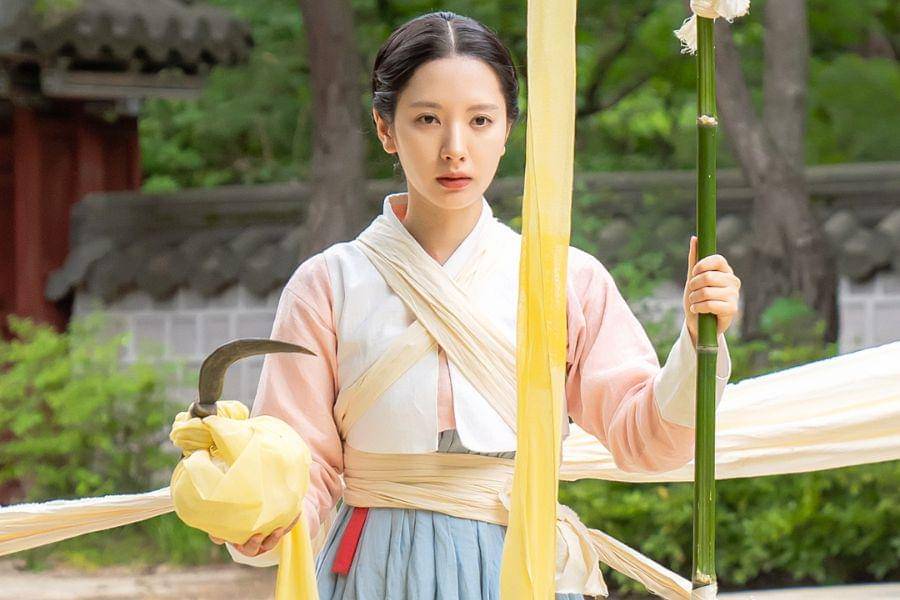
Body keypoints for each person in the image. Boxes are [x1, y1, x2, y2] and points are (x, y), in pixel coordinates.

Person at [210, 10, 741, 599]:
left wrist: (699, 340)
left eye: (481, 120)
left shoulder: (565, 278)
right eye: (427, 120)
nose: (454, 149)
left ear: (508, 128)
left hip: (523, 561)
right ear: (385, 129)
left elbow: (646, 438)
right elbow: (300, 464)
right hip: (374, 567)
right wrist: (260, 515)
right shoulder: (328, 284)